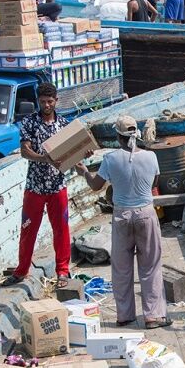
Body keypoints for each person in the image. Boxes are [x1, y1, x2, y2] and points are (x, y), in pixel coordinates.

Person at [75, 116, 171, 329]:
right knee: (150, 267)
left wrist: (83, 172)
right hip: (146, 213)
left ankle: (125, 315)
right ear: (136, 134)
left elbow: (95, 186)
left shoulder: (110, 159)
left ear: (117, 136)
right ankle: (153, 316)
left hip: (122, 216)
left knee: (121, 269)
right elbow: (154, 183)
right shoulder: (151, 156)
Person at [3, 83, 71, 287]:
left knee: (61, 229)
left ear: (56, 101)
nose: (47, 105)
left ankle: (63, 271)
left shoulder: (64, 124)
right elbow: (25, 151)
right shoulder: (29, 123)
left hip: (58, 186)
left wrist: (82, 154)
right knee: (28, 229)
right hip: (35, 187)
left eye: (50, 101)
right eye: (43, 102)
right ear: (38, 101)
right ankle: (21, 270)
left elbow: (71, 153)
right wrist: (45, 159)